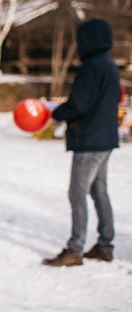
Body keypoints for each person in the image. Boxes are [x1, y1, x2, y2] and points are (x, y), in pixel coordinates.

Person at [43, 19, 120, 267]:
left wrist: (55, 113)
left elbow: (79, 103)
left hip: (90, 141)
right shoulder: (109, 64)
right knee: (99, 192)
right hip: (105, 138)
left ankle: (75, 248)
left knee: (77, 193)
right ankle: (105, 246)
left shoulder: (92, 66)